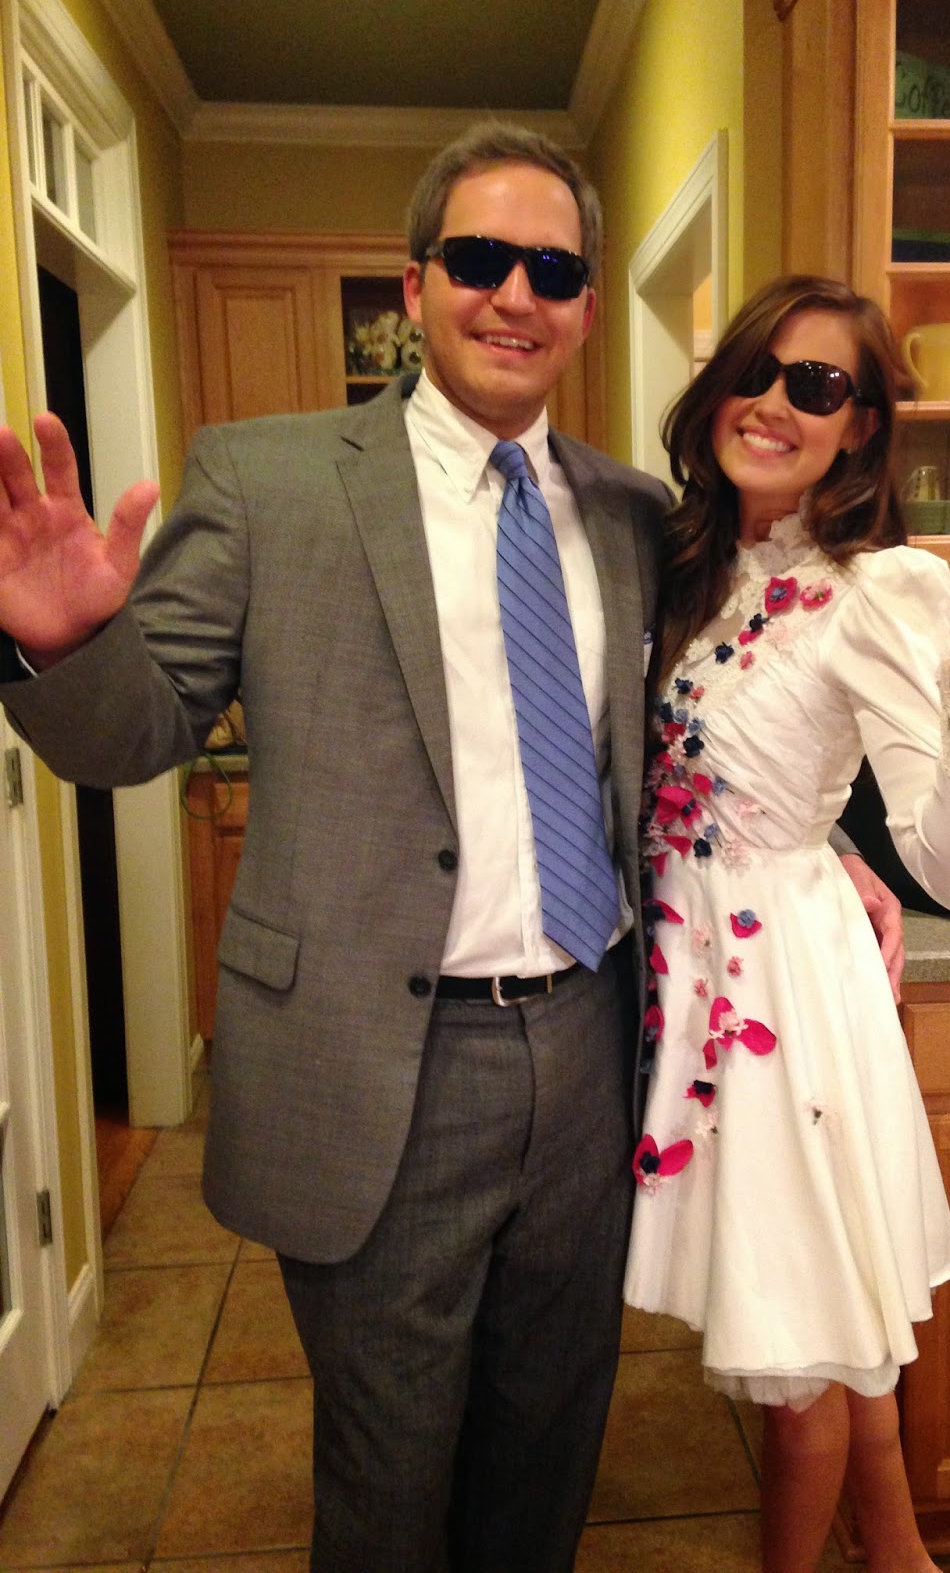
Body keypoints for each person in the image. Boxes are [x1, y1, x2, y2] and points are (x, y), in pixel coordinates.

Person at [0, 132, 903, 1571]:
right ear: (416, 285)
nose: (514, 295)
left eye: (552, 269)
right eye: (480, 260)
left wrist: (834, 849)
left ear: (587, 307)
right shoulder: (269, 481)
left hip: (592, 1044)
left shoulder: (635, 518)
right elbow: (135, 732)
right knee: (388, 1476)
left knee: (549, 1449)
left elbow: (708, 726)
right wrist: (63, 649)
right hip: (380, 1064)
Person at [623, 275, 950, 1573]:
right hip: (701, 976)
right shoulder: (688, 564)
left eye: (819, 385)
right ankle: (900, 1554)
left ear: (860, 427)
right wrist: (834, 848)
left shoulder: (881, 589)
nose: (776, 403)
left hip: (785, 1000)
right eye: (757, 369)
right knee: (836, 1336)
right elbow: (727, 772)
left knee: (803, 1364)